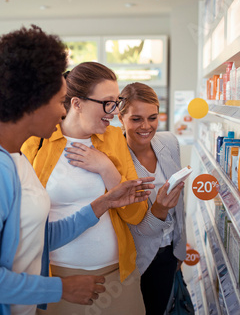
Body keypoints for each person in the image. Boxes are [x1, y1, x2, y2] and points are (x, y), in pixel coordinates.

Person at [0, 26, 154, 315]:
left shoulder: (13, 159)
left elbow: (34, 237)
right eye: (58, 101)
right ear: (33, 102)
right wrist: (61, 289)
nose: (61, 112)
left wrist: (104, 202)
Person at [21, 62, 148, 314]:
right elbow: (21, 219)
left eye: (117, 102)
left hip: (117, 276)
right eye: (107, 102)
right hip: (57, 278)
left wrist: (106, 169)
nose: (113, 111)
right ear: (77, 104)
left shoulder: (113, 139)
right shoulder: (36, 143)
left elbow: (136, 214)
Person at [118, 82, 189, 315]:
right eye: (136, 119)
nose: (146, 126)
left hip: (168, 253)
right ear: (121, 118)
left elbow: (180, 207)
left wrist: (179, 250)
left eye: (152, 117)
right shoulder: (114, 158)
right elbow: (128, 222)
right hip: (134, 259)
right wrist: (158, 208)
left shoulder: (169, 142)